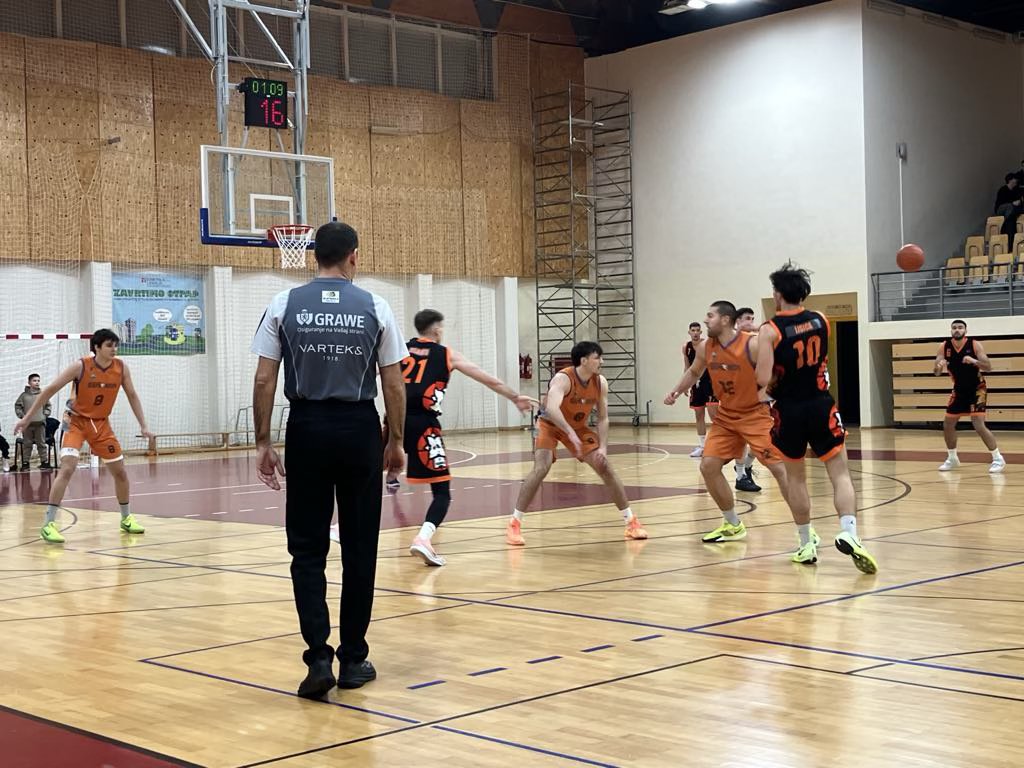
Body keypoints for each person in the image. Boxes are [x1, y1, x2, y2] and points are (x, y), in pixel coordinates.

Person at [251, 221, 407, 701]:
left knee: (307, 549)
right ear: (353, 255)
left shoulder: (283, 304)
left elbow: (264, 379)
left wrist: (263, 442)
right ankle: (353, 658)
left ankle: (318, 658)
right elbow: (394, 382)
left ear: (313, 254)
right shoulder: (377, 307)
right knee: (360, 547)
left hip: (307, 428)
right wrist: (396, 441)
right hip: (359, 429)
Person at [369, 309, 534, 566]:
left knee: (366, 478)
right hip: (424, 425)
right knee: (442, 493)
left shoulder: (399, 347)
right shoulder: (446, 354)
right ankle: (423, 538)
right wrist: (515, 397)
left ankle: (340, 527)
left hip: (393, 420)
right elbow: (485, 377)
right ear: (437, 330)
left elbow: (369, 372)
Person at [757, 263, 877, 573]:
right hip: (821, 403)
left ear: (777, 294)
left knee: (796, 478)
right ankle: (849, 532)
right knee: (840, 473)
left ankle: (806, 543)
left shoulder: (769, 330)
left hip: (789, 409)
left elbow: (763, 379)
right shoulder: (821, 320)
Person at [665, 301, 789, 543]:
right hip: (727, 417)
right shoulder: (705, 347)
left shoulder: (751, 344)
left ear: (724, 320)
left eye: (710, 316)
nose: (705, 320)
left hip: (755, 414)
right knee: (708, 467)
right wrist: (676, 391)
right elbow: (694, 372)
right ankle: (732, 524)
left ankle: (806, 531)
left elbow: (776, 372)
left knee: (779, 469)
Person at [13, 329, 152, 543]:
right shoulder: (81, 366)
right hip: (75, 422)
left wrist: (144, 425)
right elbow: (50, 390)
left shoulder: (121, 368)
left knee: (120, 472)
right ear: (96, 347)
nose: (114, 349)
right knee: (67, 468)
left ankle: (126, 518)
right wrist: (26, 418)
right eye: (109, 345)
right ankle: (49, 524)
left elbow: (132, 395)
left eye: (116, 345)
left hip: (101, 425)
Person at [506, 341, 648, 546]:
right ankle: (514, 523)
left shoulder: (600, 382)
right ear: (584, 361)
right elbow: (552, 409)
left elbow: (603, 418)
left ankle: (631, 522)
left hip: (577, 428)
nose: (602, 361)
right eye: (598, 357)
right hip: (549, 424)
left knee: (604, 466)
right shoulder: (563, 379)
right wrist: (569, 431)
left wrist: (603, 448)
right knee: (541, 467)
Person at [933, 319, 1004, 473]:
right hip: (959, 389)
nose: (957, 330)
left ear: (965, 331)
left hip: (977, 388)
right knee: (948, 424)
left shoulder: (974, 345)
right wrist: (939, 366)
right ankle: (952, 458)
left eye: (960, 327)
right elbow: (936, 372)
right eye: (954, 328)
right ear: (951, 330)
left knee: (978, 424)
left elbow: (988, 367)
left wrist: (974, 361)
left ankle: (998, 458)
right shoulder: (944, 346)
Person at [732, 307, 761, 493]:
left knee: (764, 438)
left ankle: (747, 466)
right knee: (741, 438)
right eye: (747, 318)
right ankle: (740, 476)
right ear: (738, 321)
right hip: (736, 397)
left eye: (752, 318)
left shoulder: (755, 340)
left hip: (757, 395)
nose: (751, 322)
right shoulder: (731, 340)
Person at [682, 321, 717, 458]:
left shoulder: (707, 345)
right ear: (689, 332)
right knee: (699, 415)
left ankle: (717, 445)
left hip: (709, 382)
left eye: (698, 330)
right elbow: (687, 367)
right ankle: (702, 446)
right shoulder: (686, 347)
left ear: (701, 332)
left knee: (714, 415)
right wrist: (685, 384)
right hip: (695, 384)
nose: (695, 333)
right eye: (693, 330)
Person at [14, 373, 52, 470]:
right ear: (29, 382)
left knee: (41, 444)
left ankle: (44, 462)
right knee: (27, 444)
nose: (37, 382)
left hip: (40, 424)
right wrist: (23, 416)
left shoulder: (43, 395)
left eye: (38, 380)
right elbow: (18, 406)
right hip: (27, 425)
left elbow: (48, 406)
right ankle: (25, 463)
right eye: (34, 380)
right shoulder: (24, 396)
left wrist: (44, 415)